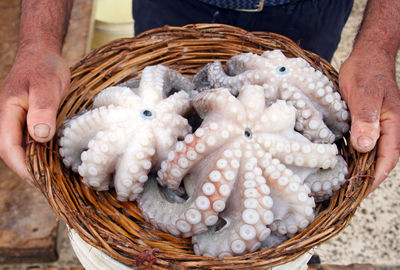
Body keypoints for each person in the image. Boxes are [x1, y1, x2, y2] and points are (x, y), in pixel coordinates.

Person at [0, 0, 398, 193]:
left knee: (298, 108)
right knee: (153, 72)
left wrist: (378, 49)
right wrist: (38, 42)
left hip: (310, 9)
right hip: (172, 4)